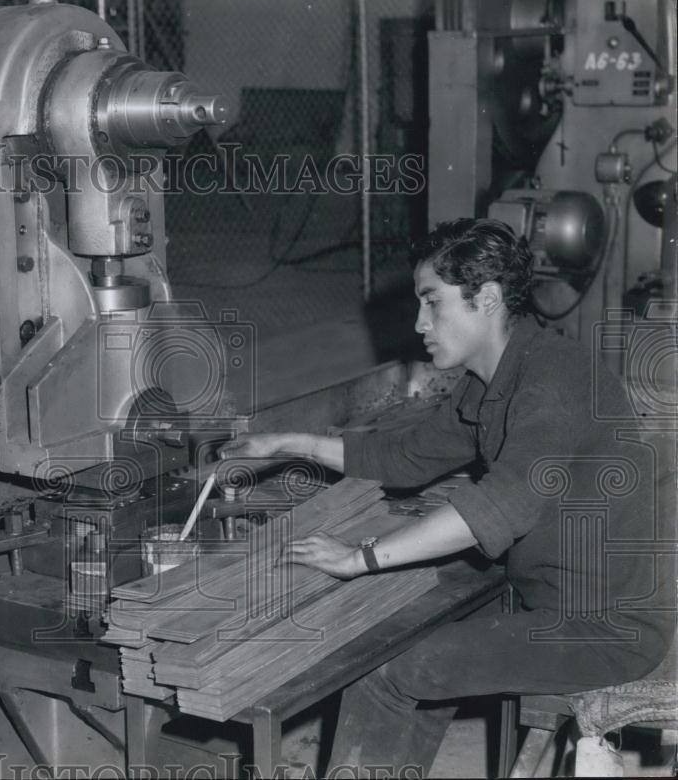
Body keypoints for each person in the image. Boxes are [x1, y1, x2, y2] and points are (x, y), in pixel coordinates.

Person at [220, 218, 676, 778]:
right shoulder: (495, 378)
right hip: (551, 589)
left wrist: (359, 556)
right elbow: (406, 455)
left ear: (484, 298)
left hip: (603, 628)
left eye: (432, 302)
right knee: (417, 615)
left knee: (390, 669)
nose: (418, 323)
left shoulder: (552, 382)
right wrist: (290, 442)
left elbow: (500, 506)